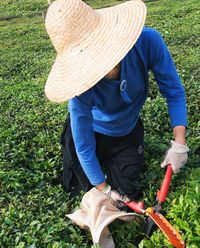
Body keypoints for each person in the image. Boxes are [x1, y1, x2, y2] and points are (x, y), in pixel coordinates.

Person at [44, 0, 189, 202]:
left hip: (126, 130)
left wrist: (179, 142)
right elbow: (84, 147)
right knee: (82, 193)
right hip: (92, 130)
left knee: (127, 196)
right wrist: (104, 189)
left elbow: (174, 92)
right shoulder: (79, 87)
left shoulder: (147, 42)